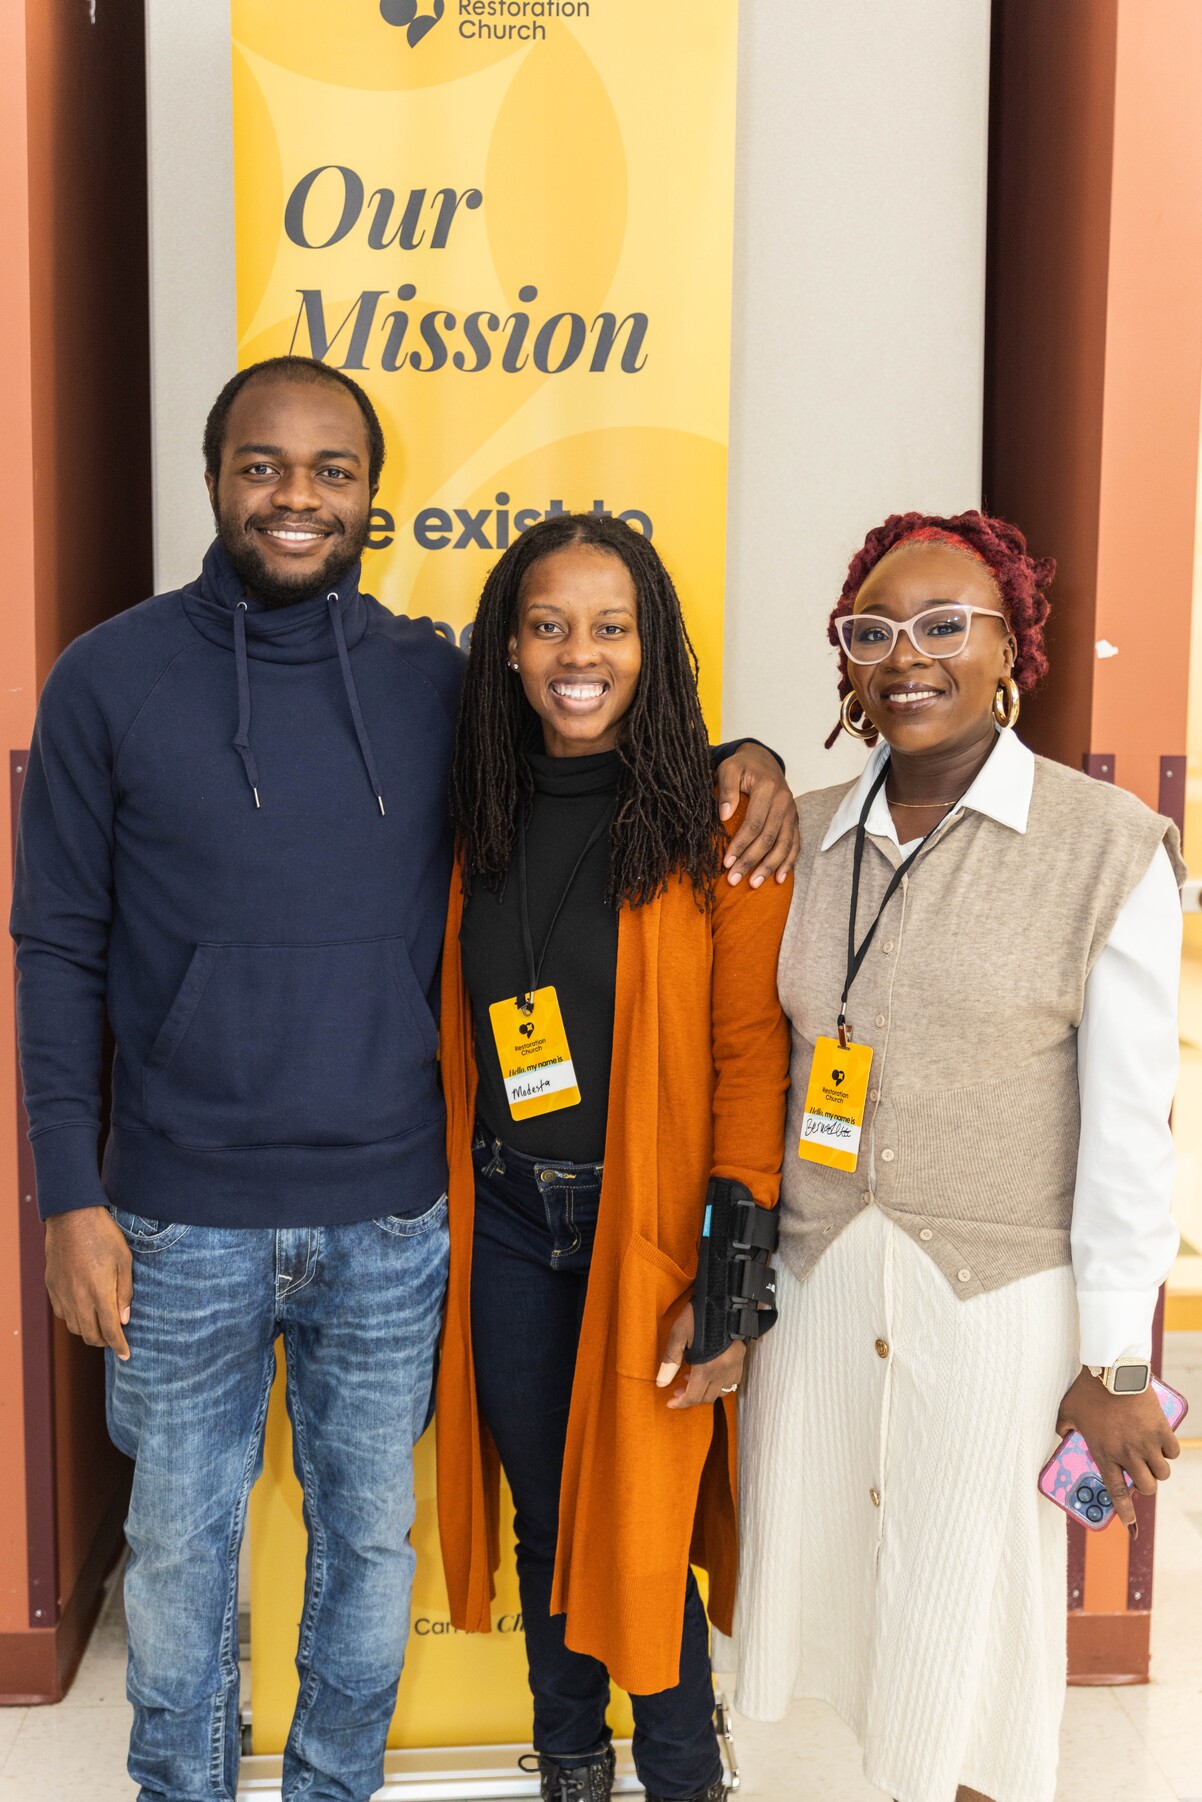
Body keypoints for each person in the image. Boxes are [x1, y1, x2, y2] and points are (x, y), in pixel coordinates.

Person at [8, 355, 797, 1802]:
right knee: (179, 1550)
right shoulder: (107, 679)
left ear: (373, 494)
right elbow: (54, 942)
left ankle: (337, 1789)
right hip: (175, 1214)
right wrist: (67, 1192)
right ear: (214, 477)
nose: (297, 496)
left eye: (333, 470)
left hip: (393, 1214)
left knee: (371, 1546)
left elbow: (599, 746)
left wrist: (747, 759)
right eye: (263, 465)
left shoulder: (435, 684)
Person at [730, 511, 1184, 1802]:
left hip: (994, 1302)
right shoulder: (803, 834)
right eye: (872, 632)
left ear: (1010, 650)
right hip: (822, 1284)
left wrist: (1116, 1358)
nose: (906, 657)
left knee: (971, 1630)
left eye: (945, 626)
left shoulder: (1104, 846)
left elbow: (1128, 1130)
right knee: (849, 1608)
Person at [435, 514, 792, 1802]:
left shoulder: (721, 820)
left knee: (644, 1530)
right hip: (509, 1222)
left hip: (651, 1232)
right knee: (549, 1523)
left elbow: (752, 1060)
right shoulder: (470, 805)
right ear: (508, 648)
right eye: (547, 626)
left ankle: (689, 1778)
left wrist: (730, 1287)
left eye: (609, 627)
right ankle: (573, 1769)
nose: (578, 655)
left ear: (653, 647)